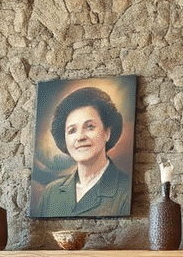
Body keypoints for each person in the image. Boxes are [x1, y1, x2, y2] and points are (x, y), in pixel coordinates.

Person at [32, 85, 132, 218]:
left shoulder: (126, 190)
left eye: (89, 127)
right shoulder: (51, 193)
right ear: (65, 140)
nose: (80, 137)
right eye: (72, 130)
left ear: (106, 133)